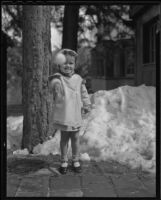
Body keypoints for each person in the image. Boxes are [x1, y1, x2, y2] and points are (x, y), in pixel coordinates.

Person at [48, 49, 91, 174]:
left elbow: (84, 93)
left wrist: (87, 104)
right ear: (59, 64)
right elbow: (53, 84)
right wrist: (56, 87)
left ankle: (76, 160)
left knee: (76, 138)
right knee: (64, 138)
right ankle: (64, 160)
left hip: (76, 113)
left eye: (71, 63)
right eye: (65, 63)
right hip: (64, 114)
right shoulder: (58, 78)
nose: (68, 65)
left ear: (75, 65)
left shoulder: (78, 78)